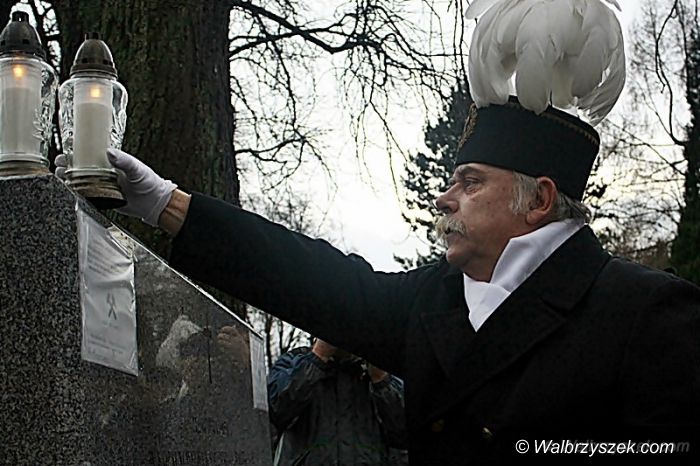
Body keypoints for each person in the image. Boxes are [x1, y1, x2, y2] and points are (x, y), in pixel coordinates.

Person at [53, 3, 700, 463]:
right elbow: (309, 277)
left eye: (471, 181)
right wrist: (165, 202)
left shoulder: (647, 315)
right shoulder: (439, 301)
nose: (445, 197)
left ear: (539, 201)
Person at [267, 338, 407, 466]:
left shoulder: (387, 369)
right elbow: (275, 409)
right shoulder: (293, 361)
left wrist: (381, 380)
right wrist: (318, 357)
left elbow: (405, 431)